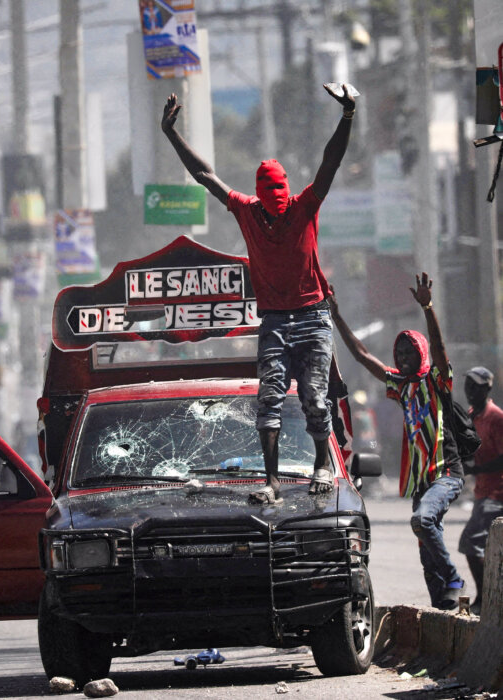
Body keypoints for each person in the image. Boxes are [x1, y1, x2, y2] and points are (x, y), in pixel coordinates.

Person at [161, 84, 356, 504]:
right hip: (273, 320)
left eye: (280, 202)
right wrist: (171, 133)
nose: (277, 210)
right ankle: (271, 482)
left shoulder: (304, 206)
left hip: (312, 316)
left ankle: (322, 463)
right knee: (268, 399)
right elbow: (204, 175)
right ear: (260, 199)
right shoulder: (247, 210)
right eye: (271, 204)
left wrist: (347, 116)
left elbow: (330, 161)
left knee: (315, 399)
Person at [328, 273, 467, 610]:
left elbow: (438, 348)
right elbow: (362, 356)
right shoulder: (400, 386)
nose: (403, 357)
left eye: (409, 352)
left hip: (446, 474)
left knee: (422, 521)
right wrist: (335, 316)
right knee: (424, 548)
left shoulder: (437, 380)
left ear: (420, 353)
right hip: (422, 481)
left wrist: (428, 308)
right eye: (399, 352)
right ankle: (444, 606)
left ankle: (454, 578)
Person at [458, 366, 503, 615]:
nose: (470, 391)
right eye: (468, 386)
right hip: (482, 493)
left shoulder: (497, 418)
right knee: (485, 548)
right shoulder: (472, 415)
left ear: (487, 388)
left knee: (471, 543)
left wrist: (476, 469)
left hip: (497, 494)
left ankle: (486, 600)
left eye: (476, 386)